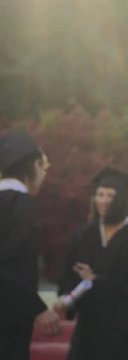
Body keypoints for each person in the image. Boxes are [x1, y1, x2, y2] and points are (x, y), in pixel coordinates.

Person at [55, 167, 128, 360]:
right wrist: (65, 296)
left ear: (121, 199)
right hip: (88, 326)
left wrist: (95, 279)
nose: (103, 201)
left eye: (110, 195)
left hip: (121, 327)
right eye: (100, 194)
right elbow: (68, 273)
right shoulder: (84, 234)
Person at [0, 126, 60, 360]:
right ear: (34, 165)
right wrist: (38, 308)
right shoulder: (19, 204)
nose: (44, 175)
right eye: (44, 167)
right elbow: (11, 267)